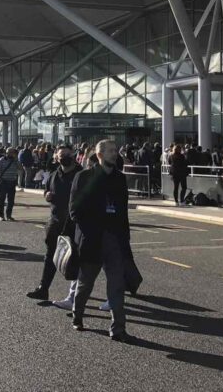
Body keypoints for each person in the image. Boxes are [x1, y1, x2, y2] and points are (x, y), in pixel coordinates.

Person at [70, 140, 133, 342]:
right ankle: (77, 313)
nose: (115, 154)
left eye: (116, 150)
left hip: (114, 239)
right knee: (86, 283)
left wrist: (125, 238)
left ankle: (118, 328)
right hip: (92, 239)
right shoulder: (84, 177)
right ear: (99, 155)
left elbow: (123, 211)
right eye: (111, 151)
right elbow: (74, 211)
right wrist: (89, 231)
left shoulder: (120, 179)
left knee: (116, 284)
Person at [27, 144, 81, 300]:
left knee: (76, 259)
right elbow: (46, 191)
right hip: (55, 222)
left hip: (74, 224)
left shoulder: (81, 175)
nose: (64, 157)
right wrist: (47, 195)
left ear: (73, 156)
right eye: (61, 155)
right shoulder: (53, 175)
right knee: (50, 255)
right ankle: (43, 288)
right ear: (56, 158)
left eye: (67, 154)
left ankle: (76, 295)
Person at [0, 147, 21, 221]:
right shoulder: (2, 160)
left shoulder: (15, 161)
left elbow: (21, 168)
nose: (10, 154)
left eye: (12, 153)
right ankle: (1, 215)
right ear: (6, 153)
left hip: (12, 182)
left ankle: (9, 215)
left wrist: (16, 160)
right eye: (9, 152)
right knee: (2, 199)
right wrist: (0, 181)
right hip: (4, 182)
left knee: (11, 200)